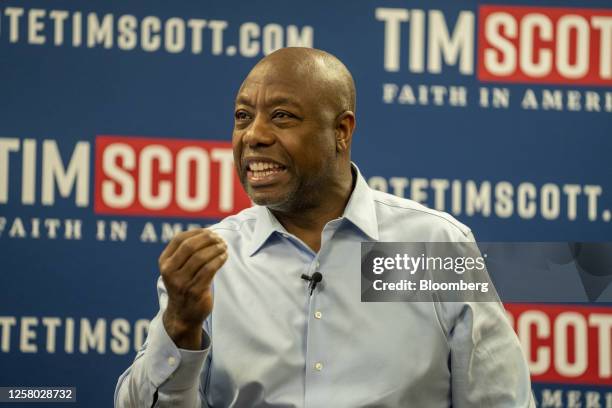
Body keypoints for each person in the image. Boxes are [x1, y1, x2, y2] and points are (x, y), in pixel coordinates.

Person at [115, 47, 535, 407]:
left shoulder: (432, 247)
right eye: (243, 116)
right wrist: (180, 329)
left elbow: (500, 398)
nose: (254, 135)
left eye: (281, 116)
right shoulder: (213, 262)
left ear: (341, 131)